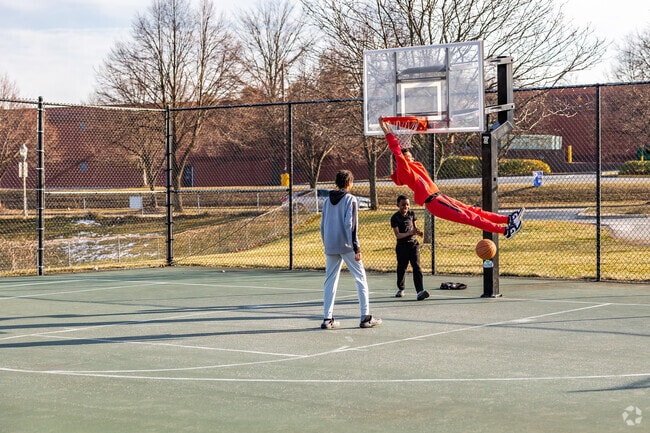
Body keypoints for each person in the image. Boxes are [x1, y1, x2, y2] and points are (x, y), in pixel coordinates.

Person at [379, 117, 524, 238]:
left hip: (439, 197)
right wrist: (388, 133)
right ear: (403, 159)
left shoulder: (415, 166)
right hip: (434, 202)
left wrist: (400, 138)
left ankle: (508, 219)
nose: (411, 154)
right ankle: (505, 230)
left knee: (473, 211)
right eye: (408, 154)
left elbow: (401, 151)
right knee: (469, 217)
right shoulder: (405, 170)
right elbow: (397, 152)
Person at [320, 169, 382, 329]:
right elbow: (350, 225)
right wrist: (356, 248)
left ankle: (327, 319)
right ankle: (365, 317)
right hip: (347, 245)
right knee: (360, 278)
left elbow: (322, 225)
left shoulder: (327, 201)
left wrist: (326, 243)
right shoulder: (351, 200)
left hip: (331, 245)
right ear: (349, 183)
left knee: (330, 281)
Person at [391, 194, 429, 301]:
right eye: (403, 205)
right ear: (398, 205)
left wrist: (418, 232)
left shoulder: (412, 214)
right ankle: (401, 288)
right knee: (401, 268)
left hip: (413, 245)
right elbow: (398, 235)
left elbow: (415, 227)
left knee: (416, 267)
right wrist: (410, 232)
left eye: (407, 204)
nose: (406, 207)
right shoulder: (394, 218)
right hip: (402, 246)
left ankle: (420, 291)